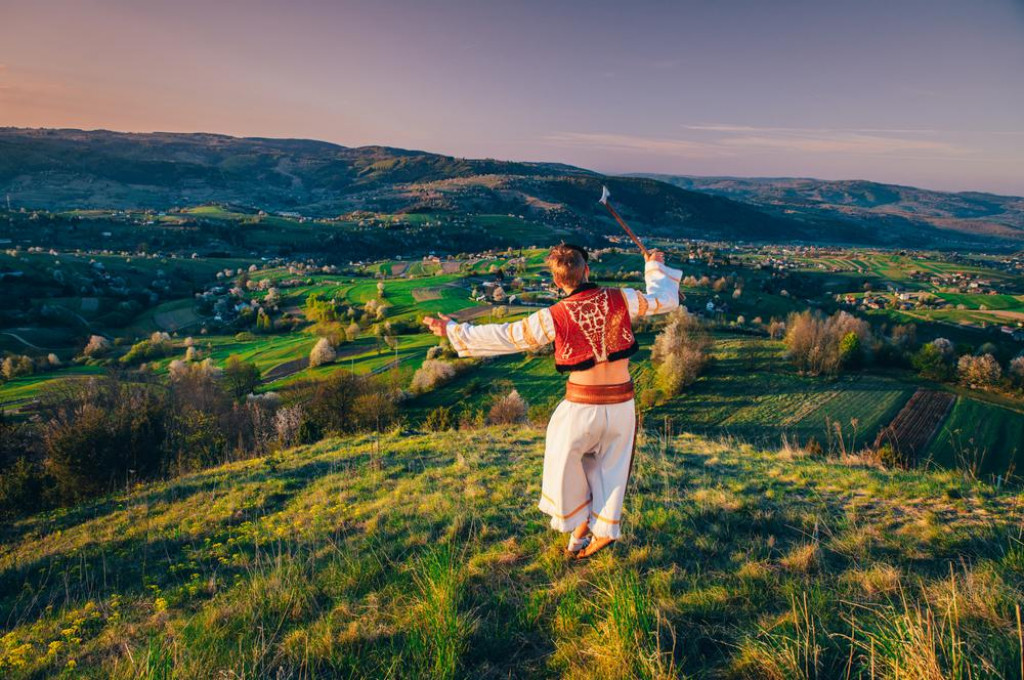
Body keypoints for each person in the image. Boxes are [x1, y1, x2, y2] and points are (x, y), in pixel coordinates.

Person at [424, 243, 681, 559]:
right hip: (621, 406)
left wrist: (453, 329)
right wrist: (653, 266)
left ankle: (581, 530)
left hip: (581, 407)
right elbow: (666, 300)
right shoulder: (621, 298)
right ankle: (593, 531)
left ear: (557, 282)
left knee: (564, 469)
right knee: (610, 471)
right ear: (587, 270)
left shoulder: (553, 316)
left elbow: (507, 336)